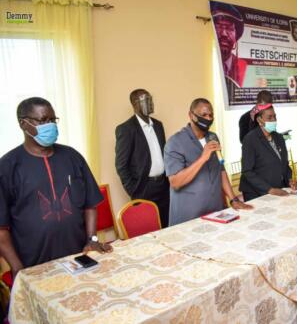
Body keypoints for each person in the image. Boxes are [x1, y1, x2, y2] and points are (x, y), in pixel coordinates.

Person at [0, 97, 112, 280]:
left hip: (78, 256)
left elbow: (90, 204)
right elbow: (1, 228)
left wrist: (91, 240)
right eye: (43, 120)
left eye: (52, 120)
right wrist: (17, 267)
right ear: (24, 124)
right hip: (34, 264)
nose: (49, 125)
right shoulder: (7, 167)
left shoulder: (73, 157)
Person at [164, 98, 252, 226]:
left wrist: (233, 199)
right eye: (203, 115)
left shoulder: (212, 137)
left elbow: (220, 170)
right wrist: (202, 158)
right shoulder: (175, 143)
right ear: (191, 115)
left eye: (211, 115)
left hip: (216, 211)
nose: (208, 118)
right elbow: (175, 182)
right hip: (189, 216)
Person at [115, 89, 170, 227]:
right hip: (143, 188)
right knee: (148, 229)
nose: (150, 103)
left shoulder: (158, 125)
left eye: (151, 99)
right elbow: (121, 165)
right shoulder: (126, 129)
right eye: (146, 100)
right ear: (135, 104)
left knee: (167, 226)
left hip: (163, 186)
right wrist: (134, 190)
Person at [240, 103, 297, 201]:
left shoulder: (279, 138)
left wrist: (289, 180)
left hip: (278, 190)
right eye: (270, 117)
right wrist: (269, 190)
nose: (274, 120)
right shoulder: (250, 139)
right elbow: (247, 171)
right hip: (256, 193)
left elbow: (284, 164)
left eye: (275, 116)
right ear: (259, 120)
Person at [212, 3, 245, 87]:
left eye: (229, 28)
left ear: (236, 35)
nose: (224, 34)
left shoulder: (243, 67)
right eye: (219, 26)